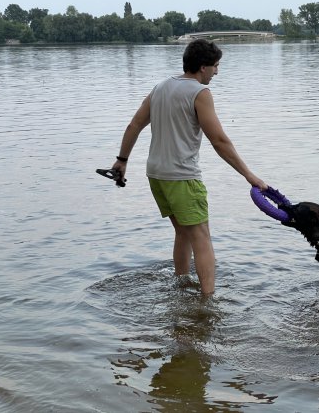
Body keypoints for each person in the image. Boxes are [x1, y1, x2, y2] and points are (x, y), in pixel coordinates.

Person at [111, 39, 267, 295]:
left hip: (156, 175)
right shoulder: (199, 93)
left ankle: (181, 285)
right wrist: (250, 176)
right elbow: (219, 140)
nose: (217, 71)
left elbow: (133, 126)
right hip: (182, 176)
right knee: (202, 238)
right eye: (216, 66)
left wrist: (122, 160)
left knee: (182, 232)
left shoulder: (160, 87)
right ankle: (208, 303)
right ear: (203, 67)